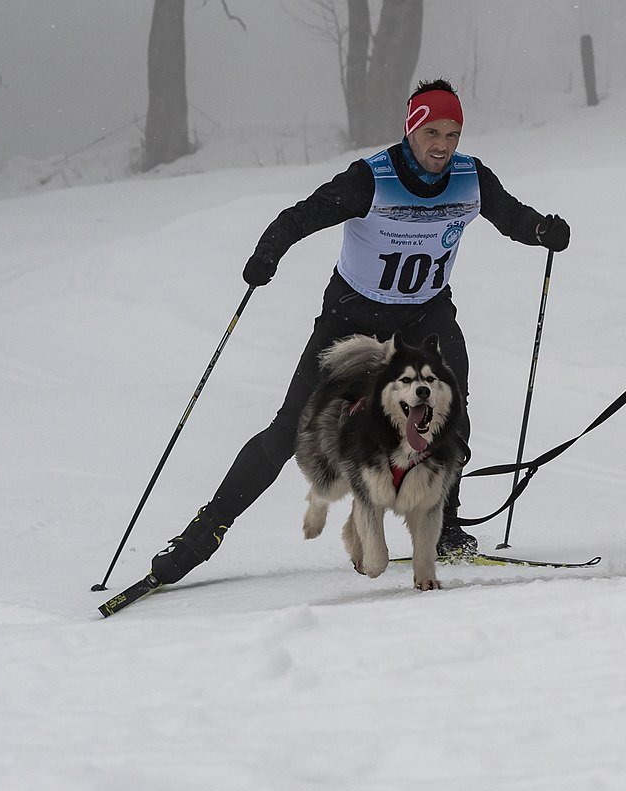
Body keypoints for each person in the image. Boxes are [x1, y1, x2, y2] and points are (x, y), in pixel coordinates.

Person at [150, 78, 570, 586]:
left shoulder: (471, 178)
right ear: (411, 128)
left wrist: (543, 231)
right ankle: (204, 532)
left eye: (453, 134)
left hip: (423, 318)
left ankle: (443, 526)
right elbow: (299, 217)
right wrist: (268, 253)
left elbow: (512, 218)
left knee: (449, 415)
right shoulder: (370, 179)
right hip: (351, 318)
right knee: (289, 430)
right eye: (432, 131)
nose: (443, 145)